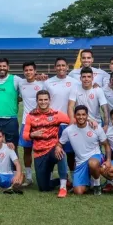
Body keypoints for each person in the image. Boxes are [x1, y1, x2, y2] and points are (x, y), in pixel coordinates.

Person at [22, 90, 71, 197]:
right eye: (40, 100)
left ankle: (63, 187)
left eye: (45, 99)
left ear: (49, 100)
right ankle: (61, 181)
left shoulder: (56, 115)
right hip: (39, 154)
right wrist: (32, 134)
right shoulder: (30, 116)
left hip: (53, 149)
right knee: (43, 188)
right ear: (37, 101)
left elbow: (73, 122)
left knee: (61, 153)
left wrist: (89, 120)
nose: (43, 102)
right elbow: (25, 136)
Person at [58, 105, 112, 195]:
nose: (81, 117)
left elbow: (106, 145)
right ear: (74, 116)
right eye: (78, 115)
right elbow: (60, 143)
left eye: (83, 114)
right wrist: (57, 147)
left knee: (92, 163)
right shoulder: (68, 130)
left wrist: (109, 160)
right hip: (80, 162)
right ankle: (88, 184)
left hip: (96, 157)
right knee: (78, 192)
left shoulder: (96, 127)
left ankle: (97, 185)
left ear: (87, 116)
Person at [43, 57, 79, 186]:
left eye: (63, 65)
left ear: (67, 67)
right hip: (52, 123)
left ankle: (74, 178)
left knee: (70, 153)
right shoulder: (48, 82)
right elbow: (44, 101)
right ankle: (51, 177)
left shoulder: (75, 82)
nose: (61, 68)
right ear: (54, 67)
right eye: (58, 66)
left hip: (69, 122)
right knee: (51, 151)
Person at [18, 61, 44, 186]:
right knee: (27, 150)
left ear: (35, 71)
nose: (28, 72)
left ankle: (45, 175)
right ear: (24, 72)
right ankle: (28, 177)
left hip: (41, 123)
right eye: (26, 70)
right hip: (26, 122)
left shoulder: (42, 83)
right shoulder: (20, 83)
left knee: (44, 150)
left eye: (30, 70)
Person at [0, 58, 23, 148]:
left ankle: (13, 162)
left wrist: (39, 77)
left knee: (12, 147)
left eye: (4, 66)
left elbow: (28, 85)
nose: (2, 68)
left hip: (10, 119)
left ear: (8, 67)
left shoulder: (16, 79)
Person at [0, 129, 23, 194]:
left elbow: (17, 164)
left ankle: (14, 186)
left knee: (21, 174)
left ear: (3, 137)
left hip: (8, 175)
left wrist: (17, 175)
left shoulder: (9, 147)